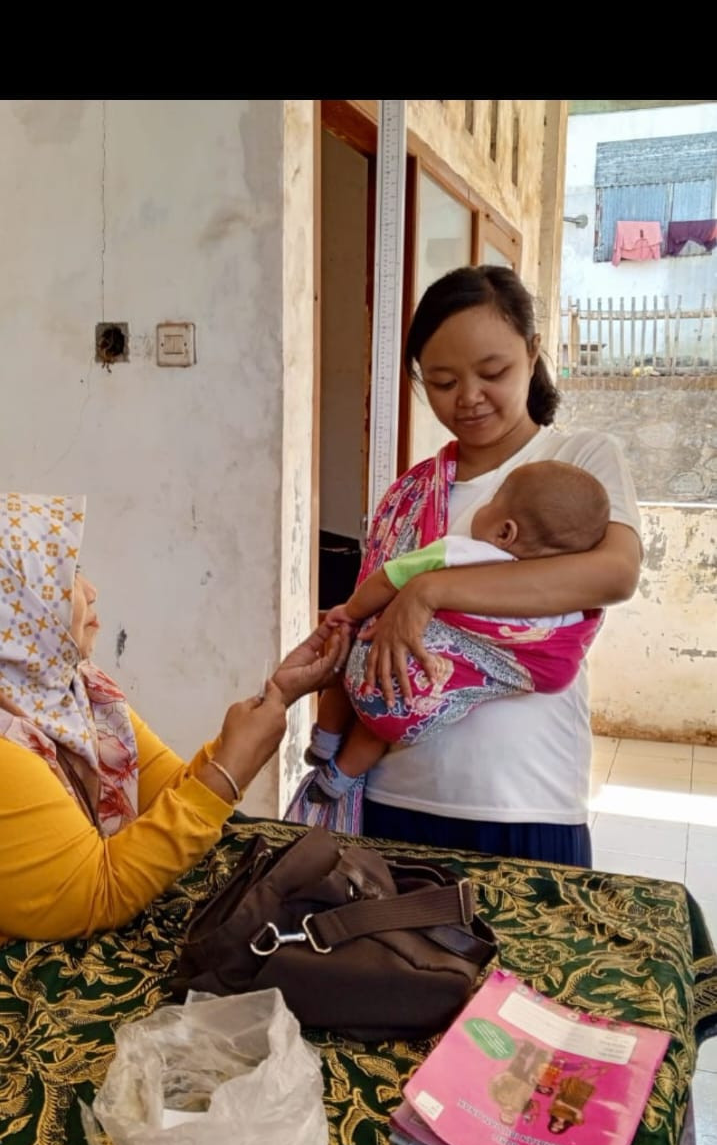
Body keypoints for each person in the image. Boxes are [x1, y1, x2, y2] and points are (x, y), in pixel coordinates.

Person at [288, 265, 642, 865]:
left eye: (493, 372)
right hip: (396, 795)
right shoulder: (411, 494)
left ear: (532, 354)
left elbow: (613, 573)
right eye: (444, 381)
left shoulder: (577, 461)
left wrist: (428, 591)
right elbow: (371, 622)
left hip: (524, 801)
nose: (469, 398)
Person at [0, 491, 347, 944]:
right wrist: (230, 771)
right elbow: (91, 897)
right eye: (65, 576)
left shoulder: (77, 691)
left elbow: (164, 795)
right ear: (18, 610)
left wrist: (277, 696)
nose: (90, 590)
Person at [304, 460, 609, 802]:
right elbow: (556, 667)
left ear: (505, 532)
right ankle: (338, 778)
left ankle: (324, 739)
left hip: (380, 666)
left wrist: (350, 611)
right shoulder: (560, 606)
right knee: (380, 729)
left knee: (353, 655)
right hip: (423, 710)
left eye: (492, 502)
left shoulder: (463, 552)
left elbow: (391, 576)